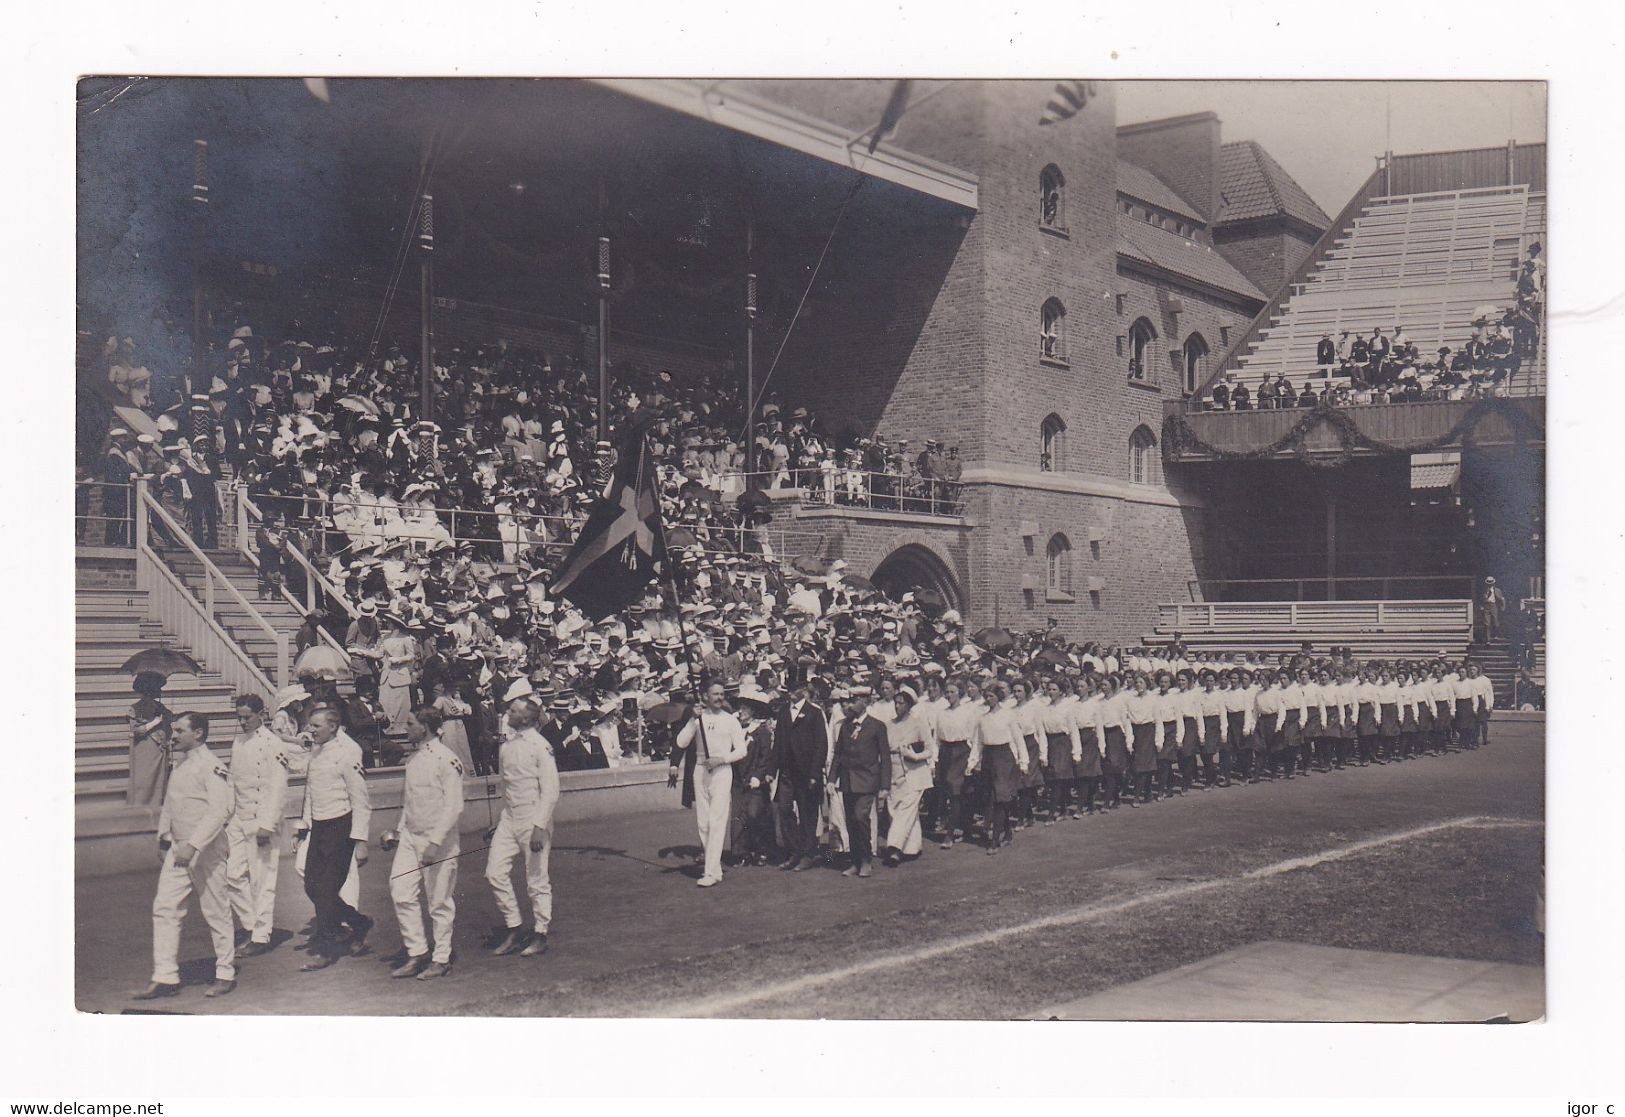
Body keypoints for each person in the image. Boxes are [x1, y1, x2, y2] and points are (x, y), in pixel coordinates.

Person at [134, 712, 235, 1001]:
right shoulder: (179, 763)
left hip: (206, 851)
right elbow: (171, 804)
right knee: (165, 907)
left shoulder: (211, 765)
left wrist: (194, 844)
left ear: (199, 734)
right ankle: (165, 976)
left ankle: (225, 973)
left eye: (179, 730)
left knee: (216, 910)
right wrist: (164, 836)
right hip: (178, 850)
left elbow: (221, 809)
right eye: (173, 730)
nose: (173, 735)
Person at [388, 706, 466, 979]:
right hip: (410, 838)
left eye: (410, 724)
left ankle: (441, 958)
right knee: (401, 891)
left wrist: (434, 843)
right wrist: (398, 832)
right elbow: (410, 803)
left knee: (439, 901)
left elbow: (453, 806)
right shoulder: (413, 760)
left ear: (426, 727)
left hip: (439, 841)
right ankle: (417, 952)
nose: (406, 729)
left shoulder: (447, 759)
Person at [295, 707, 373, 970]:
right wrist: (305, 824)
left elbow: (360, 800)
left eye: (316, 726)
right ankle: (358, 922)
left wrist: (360, 841)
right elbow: (311, 790)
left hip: (342, 825)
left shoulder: (348, 753)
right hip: (319, 825)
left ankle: (326, 948)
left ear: (334, 726)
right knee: (311, 886)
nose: (311, 730)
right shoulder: (317, 749)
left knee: (327, 888)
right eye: (310, 725)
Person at [487, 695, 561, 956]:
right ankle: (514, 926)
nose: (508, 712)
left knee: (536, 879)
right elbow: (507, 789)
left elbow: (551, 791)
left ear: (527, 717)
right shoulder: (506, 747)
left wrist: (539, 826)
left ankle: (540, 933)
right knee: (494, 873)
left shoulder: (541, 746)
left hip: (534, 817)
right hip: (509, 818)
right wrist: (499, 821)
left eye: (514, 710)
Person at [225, 694, 288, 957]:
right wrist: (228, 816)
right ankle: (252, 924)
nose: (242, 722)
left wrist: (268, 824)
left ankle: (261, 936)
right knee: (232, 876)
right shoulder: (238, 741)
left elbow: (278, 787)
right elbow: (232, 780)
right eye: (239, 717)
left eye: (247, 717)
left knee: (262, 880)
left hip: (262, 819)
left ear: (261, 714)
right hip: (238, 819)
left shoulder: (274, 744)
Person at [673, 682, 749, 887]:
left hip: (722, 772)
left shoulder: (730, 720)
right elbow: (680, 742)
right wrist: (691, 721)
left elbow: (741, 750)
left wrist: (721, 759)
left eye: (721, 694)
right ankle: (713, 869)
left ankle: (710, 871)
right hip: (700, 770)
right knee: (703, 822)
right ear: (705, 696)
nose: (719, 697)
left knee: (716, 821)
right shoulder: (698, 718)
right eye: (714, 694)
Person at [830, 688, 891, 874]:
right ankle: (855, 861)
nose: (849, 704)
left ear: (864, 702)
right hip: (848, 781)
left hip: (867, 781)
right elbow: (838, 755)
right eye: (849, 700)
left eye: (854, 700)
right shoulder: (845, 726)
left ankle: (866, 860)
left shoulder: (877, 726)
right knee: (850, 821)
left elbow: (885, 757)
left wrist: (885, 786)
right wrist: (832, 779)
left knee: (860, 817)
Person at [773, 681, 829, 871]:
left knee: (807, 813)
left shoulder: (814, 713)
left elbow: (821, 745)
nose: (791, 694)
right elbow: (778, 743)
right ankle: (793, 851)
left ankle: (807, 854)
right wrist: (772, 771)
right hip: (787, 771)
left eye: (794, 690)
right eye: (788, 690)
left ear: (803, 691)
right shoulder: (782, 712)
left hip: (806, 772)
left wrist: (815, 772)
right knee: (784, 809)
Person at [881, 686, 935, 865]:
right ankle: (912, 848)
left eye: (901, 703)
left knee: (906, 810)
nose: (897, 706)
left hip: (915, 772)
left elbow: (930, 749)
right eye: (895, 703)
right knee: (894, 810)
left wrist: (915, 756)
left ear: (909, 705)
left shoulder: (919, 722)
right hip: (894, 773)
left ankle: (894, 847)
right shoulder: (889, 725)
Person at [729, 685, 780, 868]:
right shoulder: (735, 730)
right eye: (740, 707)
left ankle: (761, 850)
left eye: (745, 707)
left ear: (753, 710)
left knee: (755, 815)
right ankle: (741, 852)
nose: (741, 711)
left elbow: (766, 756)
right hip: (737, 781)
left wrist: (758, 776)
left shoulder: (761, 732)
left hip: (755, 782)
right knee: (737, 816)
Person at [126, 672, 172, 808]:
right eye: (156, 687)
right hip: (144, 749)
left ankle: (156, 809)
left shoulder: (160, 707)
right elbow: (136, 730)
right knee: (143, 780)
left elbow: (168, 721)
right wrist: (155, 722)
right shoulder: (136, 708)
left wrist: (164, 715)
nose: (159, 691)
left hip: (158, 750)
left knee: (159, 780)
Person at [1482, 577, 1506, 642]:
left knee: (1495, 621)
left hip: (1494, 605)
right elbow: (1481, 599)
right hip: (1486, 606)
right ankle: (1488, 639)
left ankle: (1496, 635)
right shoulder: (1484, 590)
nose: (1490, 585)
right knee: (1487, 623)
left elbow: (1502, 599)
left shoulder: (1497, 590)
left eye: (1491, 583)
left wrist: (1503, 606)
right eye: (1488, 583)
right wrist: (1482, 605)